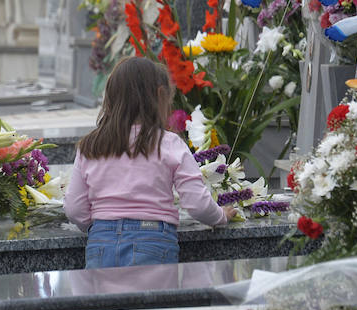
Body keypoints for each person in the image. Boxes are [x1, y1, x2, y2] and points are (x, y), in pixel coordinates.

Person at [64, 56, 232, 268]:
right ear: (160, 95)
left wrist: (102, 225)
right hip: (153, 240)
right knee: (151, 292)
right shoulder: (169, 144)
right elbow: (197, 204)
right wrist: (220, 216)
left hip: (100, 242)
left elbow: (74, 208)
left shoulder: (91, 146)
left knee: (104, 292)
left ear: (110, 97)